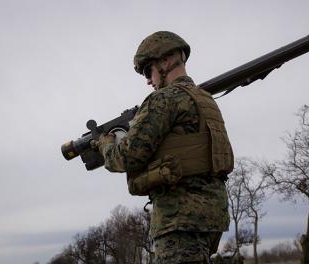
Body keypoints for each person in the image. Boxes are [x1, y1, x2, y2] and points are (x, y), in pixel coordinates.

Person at [94, 31, 234, 264]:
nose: (149, 80)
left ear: (165, 61)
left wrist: (104, 144)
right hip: (212, 219)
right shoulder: (206, 100)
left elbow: (126, 157)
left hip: (179, 220)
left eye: (148, 71)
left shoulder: (163, 100)